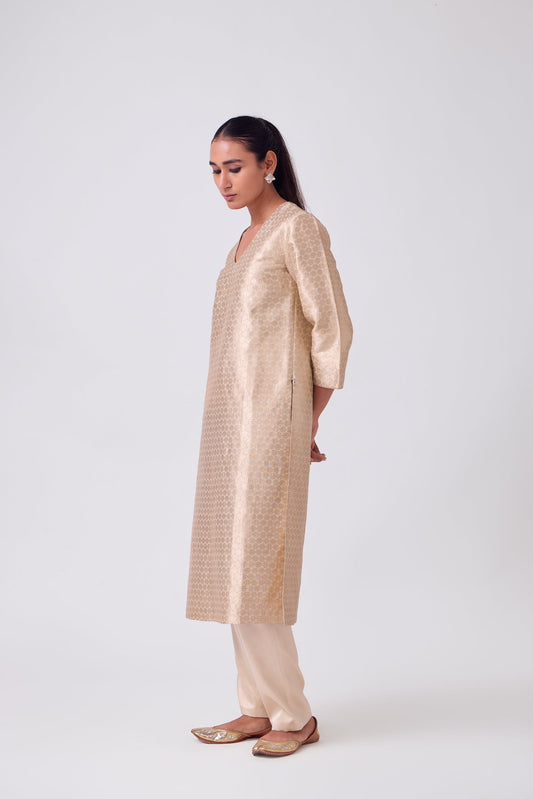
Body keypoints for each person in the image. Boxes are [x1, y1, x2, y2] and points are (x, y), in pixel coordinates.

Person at [185, 115, 354, 757]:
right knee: (231, 563)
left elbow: (331, 327)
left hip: (272, 420)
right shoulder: (243, 242)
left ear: (269, 164)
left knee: (257, 565)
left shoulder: (296, 229)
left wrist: (307, 416)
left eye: (235, 167)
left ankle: (293, 713)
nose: (223, 182)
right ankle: (255, 708)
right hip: (227, 424)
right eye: (215, 171)